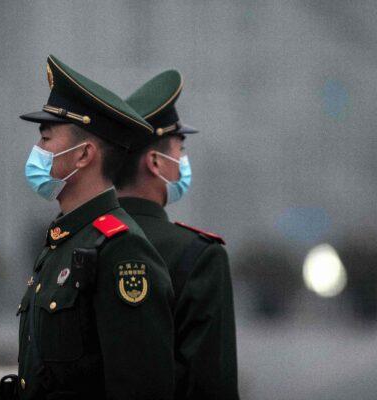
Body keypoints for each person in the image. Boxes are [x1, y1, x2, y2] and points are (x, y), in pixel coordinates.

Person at [0, 55, 175, 400]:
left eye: (46, 139)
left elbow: (140, 388)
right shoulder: (64, 240)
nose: (36, 151)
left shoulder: (121, 249)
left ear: (84, 155)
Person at [115, 70, 239, 400]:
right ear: (155, 162)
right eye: (179, 149)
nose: (183, 161)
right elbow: (211, 384)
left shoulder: (74, 241)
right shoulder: (199, 256)